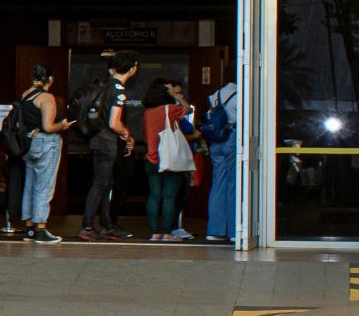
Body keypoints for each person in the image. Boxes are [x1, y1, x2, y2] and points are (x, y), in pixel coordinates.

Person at [80, 52, 139, 243]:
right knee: (100, 184)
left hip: (95, 139)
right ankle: (88, 226)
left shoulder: (103, 85)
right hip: (107, 141)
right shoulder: (119, 91)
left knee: (106, 184)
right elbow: (114, 122)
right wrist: (127, 134)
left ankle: (106, 225)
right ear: (132, 69)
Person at [17, 65, 71, 244]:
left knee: (30, 185)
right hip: (46, 143)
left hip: (29, 143)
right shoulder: (46, 97)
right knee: (44, 186)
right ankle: (41, 228)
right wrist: (62, 126)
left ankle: (30, 228)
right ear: (50, 79)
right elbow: (48, 127)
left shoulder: (25, 94)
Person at [142, 78, 197, 242]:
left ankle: (154, 233)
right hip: (169, 159)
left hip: (151, 159)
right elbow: (187, 109)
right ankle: (167, 233)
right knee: (169, 197)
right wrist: (177, 96)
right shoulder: (170, 109)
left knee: (154, 196)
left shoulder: (147, 112)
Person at [207, 62, 239, 243]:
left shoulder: (215, 95)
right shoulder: (240, 95)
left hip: (216, 140)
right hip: (232, 137)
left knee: (217, 182)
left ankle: (215, 230)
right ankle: (234, 231)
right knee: (233, 184)